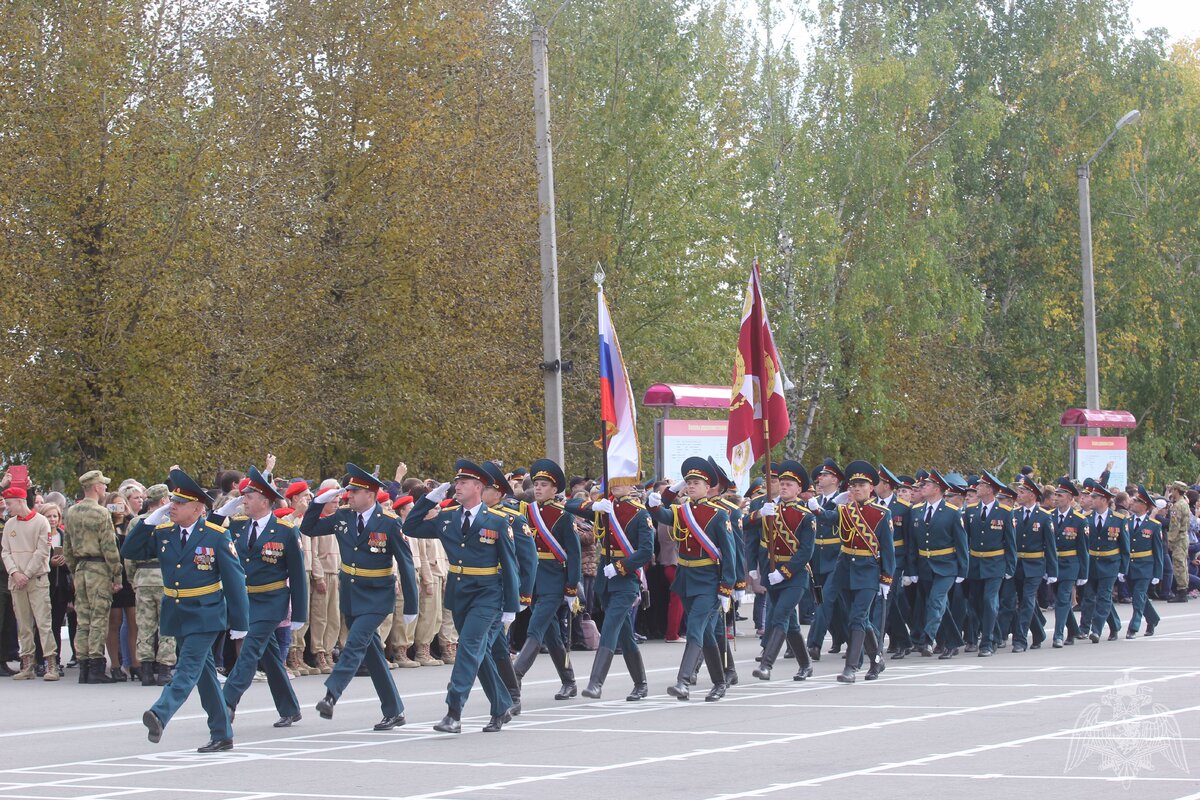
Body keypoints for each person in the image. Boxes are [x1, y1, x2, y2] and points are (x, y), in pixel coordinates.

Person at [122, 468, 249, 752]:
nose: (173, 507)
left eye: (179, 503)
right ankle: (222, 732)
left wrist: (240, 623)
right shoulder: (164, 532)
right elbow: (130, 550)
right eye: (172, 502)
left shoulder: (215, 536)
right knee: (203, 675)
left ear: (197, 508)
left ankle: (160, 714)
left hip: (206, 613)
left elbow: (235, 580)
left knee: (187, 669)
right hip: (178, 612)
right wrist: (151, 518)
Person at [403, 460, 519, 733]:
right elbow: (410, 527)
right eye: (457, 482)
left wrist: (512, 606)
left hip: (488, 593)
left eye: (463, 482)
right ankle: (501, 706)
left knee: (468, 647)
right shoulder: (447, 517)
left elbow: (511, 565)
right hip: (460, 593)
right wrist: (429, 499)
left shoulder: (498, 521)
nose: (457, 486)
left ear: (478, 487)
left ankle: (453, 711)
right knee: (479, 654)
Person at [300, 463, 418, 731]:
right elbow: (309, 528)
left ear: (371, 494)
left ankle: (331, 695)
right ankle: (394, 710)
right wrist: (319, 501)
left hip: (377, 596)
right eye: (348, 491)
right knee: (374, 654)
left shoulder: (388, 523)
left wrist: (411, 604)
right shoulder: (343, 518)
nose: (348, 496)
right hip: (352, 594)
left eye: (355, 491)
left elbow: (407, 564)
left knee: (354, 645)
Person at [221, 465, 308, 728]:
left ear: (264, 501)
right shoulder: (237, 527)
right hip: (247, 600)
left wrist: (299, 614)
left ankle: (226, 703)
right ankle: (290, 708)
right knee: (268, 655)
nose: (243, 500)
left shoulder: (285, 530)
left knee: (249, 651)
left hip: (272, 600)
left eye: (248, 496)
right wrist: (220, 513)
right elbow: (212, 533)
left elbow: (297, 574)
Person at [648, 456, 736, 701]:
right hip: (686, 578)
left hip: (708, 581)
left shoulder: (719, 515)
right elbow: (658, 512)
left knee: (696, 628)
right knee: (706, 635)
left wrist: (727, 586)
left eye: (697, 482)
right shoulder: (682, 511)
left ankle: (683, 682)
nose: (692, 485)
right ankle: (719, 683)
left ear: (708, 487)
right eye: (688, 482)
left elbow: (730, 553)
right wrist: (668, 492)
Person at [564, 469, 655, 700]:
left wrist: (620, 567)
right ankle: (641, 683)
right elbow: (569, 507)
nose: (615, 485)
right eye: (614, 481)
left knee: (611, 627)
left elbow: (646, 551)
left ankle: (596, 682)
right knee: (624, 634)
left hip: (625, 579)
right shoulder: (606, 508)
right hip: (605, 579)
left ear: (632, 484)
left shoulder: (639, 514)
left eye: (622, 482)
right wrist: (593, 506)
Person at [508, 458, 582, 701]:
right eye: (536, 484)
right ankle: (569, 681)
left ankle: (515, 676)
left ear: (554, 489)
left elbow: (574, 555)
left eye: (543, 484)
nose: (538, 488)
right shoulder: (526, 512)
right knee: (551, 635)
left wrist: (571, 588)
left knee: (535, 628)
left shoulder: (564, 516)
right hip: (533, 581)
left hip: (554, 581)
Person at [823, 461, 895, 683]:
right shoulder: (844, 510)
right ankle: (876, 660)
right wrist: (825, 506)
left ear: (871, 488)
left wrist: (886, 578)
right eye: (853, 485)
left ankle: (851, 668)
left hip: (868, 571)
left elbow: (887, 548)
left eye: (861, 485)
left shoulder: (882, 513)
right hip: (845, 569)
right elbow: (825, 519)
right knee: (858, 618)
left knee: (857, 618)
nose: (856, 489)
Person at [478, 461, 537, 713]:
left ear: (499, 492)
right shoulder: (474, 515)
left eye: (485, 488)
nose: (480, 492)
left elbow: (528, 559)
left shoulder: (512, 518)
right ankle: (512, 695)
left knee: (485, 644)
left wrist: (523, 595)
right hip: (481, 589)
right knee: (498, 646)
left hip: (503, 591)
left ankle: (504, 697)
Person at [748, 460, 815, 681]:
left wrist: (784, 572)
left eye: (789, 484)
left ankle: (767, 665)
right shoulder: (769, 509)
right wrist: (758, 515)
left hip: (795, 575)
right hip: (771, 572)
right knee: (791, 624)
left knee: (779, 616)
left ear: (798, 489)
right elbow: (741, 524)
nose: (784, 487)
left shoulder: (806, 516)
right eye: (782, 483)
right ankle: (805, 665)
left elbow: (806, 551)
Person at [63, 469, 123, 684]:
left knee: (83, 619)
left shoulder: (71, 512)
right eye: (103, 485)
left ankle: (84, 665)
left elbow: (67, 547)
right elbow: (109, 547)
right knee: (99, 618)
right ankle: (96, 666)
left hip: (81, 568)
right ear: (96, 487)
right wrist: (117, 575)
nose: (105, 488)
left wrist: (74, 570)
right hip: (99, 568)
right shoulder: (101, 513)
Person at [907, 469, 968, 658]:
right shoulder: (916, 511)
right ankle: (952, 643)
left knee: (936, 600)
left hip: (947, 565)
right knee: (940, 605)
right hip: (925, 565)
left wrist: (962, 570)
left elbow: (961, 542)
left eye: (926, 485)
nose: (922, 487)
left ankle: (928, 638)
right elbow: (912, 543)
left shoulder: (952, 512)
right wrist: (911, 569)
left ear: (937, 489)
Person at [2, 486, 58, 681]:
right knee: (23, 625)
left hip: (37, 579)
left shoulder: (41, 522)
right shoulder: (9, 525)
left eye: (9, 504)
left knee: (44, 623)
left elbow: (42, 551)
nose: (7, 508)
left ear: (20, 501)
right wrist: (15, 573)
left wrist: (26, 573)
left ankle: (51, 663)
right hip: (16, 581)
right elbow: (5, 552)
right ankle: (27, 664)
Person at [126, 484, 176, 686]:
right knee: (168, 625)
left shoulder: (138, 522)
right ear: (164, 500)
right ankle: (164, 670)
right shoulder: (171, 520)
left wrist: (132, 579)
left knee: (145, 625)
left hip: (143, 577)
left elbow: (129, 555)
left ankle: (146, 670)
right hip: (165, 576)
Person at [962, 471, 1016, 657]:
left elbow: (1010, 542)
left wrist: (1010, 566)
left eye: (982, 486)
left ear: (990, 490)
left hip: (996, 563)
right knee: (975, 603)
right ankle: (994, 634)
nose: (977, 488)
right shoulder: (970, 511)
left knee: (989, 600)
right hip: (975, 562)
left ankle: (986, 642)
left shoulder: (1005, 512)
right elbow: (965, 540)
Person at [1009, 474, 1058, 652]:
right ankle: (1038, 632)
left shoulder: (1044, 517)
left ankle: (1020, 639)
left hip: (1035, 565)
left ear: (1032, 495)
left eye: (1021, 492)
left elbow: (1050, 546)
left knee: (1028, 600)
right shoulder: (1014, 514)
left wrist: (1052, 571)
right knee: (1019, 600)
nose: (1018, 495)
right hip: (1017, 565)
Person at [1079, 479, 1128, 642]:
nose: (1091, 500)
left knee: (1104, 596)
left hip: (1110, 563)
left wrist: (1123, 569)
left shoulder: (1119, 519)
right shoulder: (1086, 518)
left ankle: (1096, 629)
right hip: (1092, 562)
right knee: (1089, 597)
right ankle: (1113, 625)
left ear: (1104, 500)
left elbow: (1125, 546)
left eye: (1095, 497)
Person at [301, 479, 340, 675]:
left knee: (334, 617)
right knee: (319, 616)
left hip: (336, 573)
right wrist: (318, 577)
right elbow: (313, 553)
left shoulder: (338, 521)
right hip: (323, 574)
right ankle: (319, 652)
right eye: (333, 501)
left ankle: (330, 649)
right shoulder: (319, 524)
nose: (337, 504)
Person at [104, 491, 138, 681]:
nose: (119, 509)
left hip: (130, 575)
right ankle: (115, 664)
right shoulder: (106, 526)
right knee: (114, 622)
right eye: (114, 505)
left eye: (121, 504)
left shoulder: (131, 524)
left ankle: (135, 663)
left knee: (134, 621)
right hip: (113, 575)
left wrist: (129, 513)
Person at [1125, 485, 1164, 638]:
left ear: (1144, 506)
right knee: (1138, 596)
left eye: (1136, 501)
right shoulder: (1126, 522)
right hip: (1130, 565)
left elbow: (1158, 551)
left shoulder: (1154, 525)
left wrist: (1157, 572)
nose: (1132, 503)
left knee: (1139, 594)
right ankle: (1153, 619)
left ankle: (1133, 627)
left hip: (1145, 565)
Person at [1167, 481, 1191, 602]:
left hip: (1178, 538)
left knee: (1178, 564)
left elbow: (1175, 525)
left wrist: (1170, 540)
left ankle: (1181, 591)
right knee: (1183, 564)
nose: (1171, 490)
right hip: (1184, 536)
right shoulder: (1185, 503)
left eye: (1172, 489)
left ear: (1176, 490)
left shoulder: (1177, 506)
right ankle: (1183, 590)